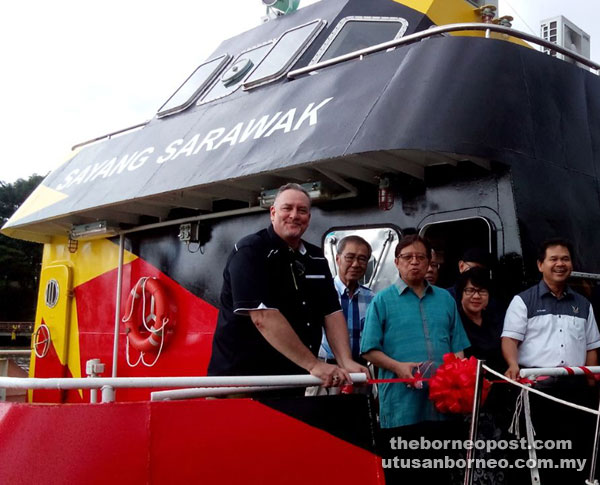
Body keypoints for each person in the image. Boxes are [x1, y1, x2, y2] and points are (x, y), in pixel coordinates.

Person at [207, 183, 367, 389]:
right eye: (287, 208)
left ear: (308, 218)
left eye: (302, 210)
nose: (294, 215)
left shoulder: (316, 257)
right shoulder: (250, 251)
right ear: (273, 213)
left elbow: (332, 312)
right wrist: (314, 365)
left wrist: (345, 361)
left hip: (294, 379)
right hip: (243, 383)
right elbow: (262, 317)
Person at [360, 234, 470, 480]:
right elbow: (369, 349)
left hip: (443, 408)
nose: (414, 262)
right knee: (404, 475)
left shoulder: (445, 299)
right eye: (407, 257)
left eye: (421, 257)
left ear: (430, 262)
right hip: (401, 408)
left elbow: (458, 348)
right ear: (397, 262)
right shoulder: (382, 301)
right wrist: (397, 367)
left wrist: (460, 381)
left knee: (443, 474)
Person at [501, 238, 600, 484]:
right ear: (540, 265)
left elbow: (591, 346)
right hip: (538, 390)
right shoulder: (523, 301)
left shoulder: (583, 305)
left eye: (565, 259)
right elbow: (510, 340)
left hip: (575, 392)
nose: (560, 264)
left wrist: (589, 379)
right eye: (553, 259)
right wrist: (513, 365)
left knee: (576, 454)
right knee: (540, 456)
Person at [319, 235, 374, 365]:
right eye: (350, 257)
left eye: (362, 259)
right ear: (338, 259)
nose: (355, 264)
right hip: (326, 369)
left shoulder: (372, 299)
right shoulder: (321, 292)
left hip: (360, 369)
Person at [457, 268, 505, 371]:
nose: (476, 296)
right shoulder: (455, 321)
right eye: (470, 290)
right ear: (461, 293)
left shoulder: (495, 320)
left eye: (482, 291)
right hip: (469, 381)